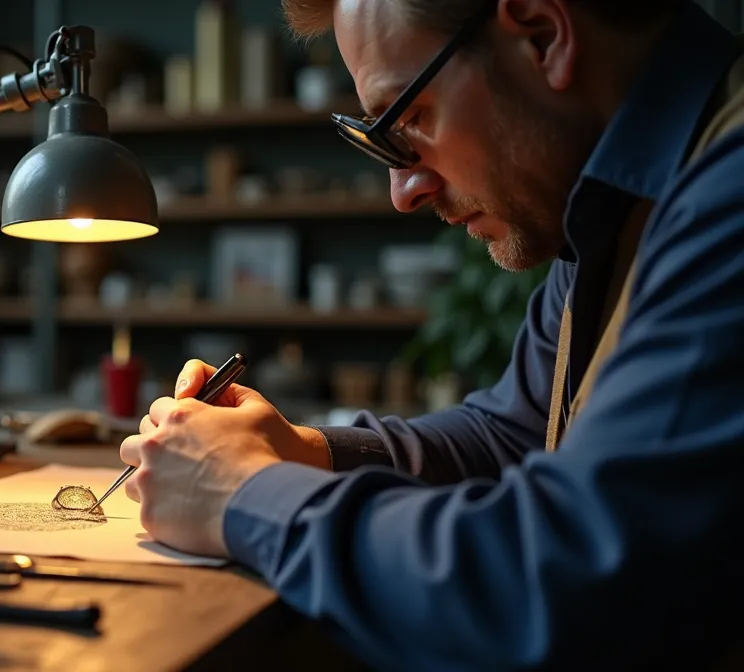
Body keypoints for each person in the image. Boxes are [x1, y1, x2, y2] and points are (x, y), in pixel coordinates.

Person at [118, 0, 744, 669]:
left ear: (542, 34)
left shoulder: (728, 196)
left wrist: (241, 493)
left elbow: (565, 588)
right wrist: (302, 452)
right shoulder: (614, 201)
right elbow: (510, 438)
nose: (403, 191)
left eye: (408, 119)